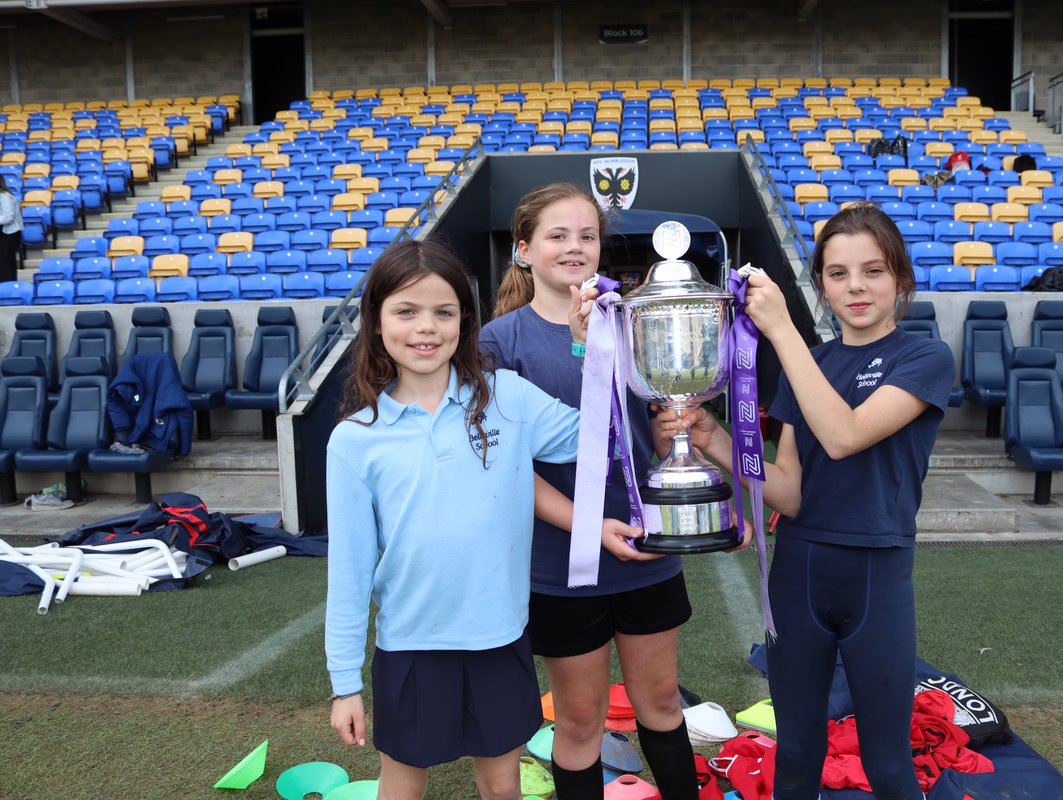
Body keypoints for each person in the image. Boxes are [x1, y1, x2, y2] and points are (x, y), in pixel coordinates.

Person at [660, 203, 955, 800]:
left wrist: (783, 330)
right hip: (799, 570)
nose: (857, 286)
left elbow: (845, 436)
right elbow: (790, 492)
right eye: (839, 273)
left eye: (873, 271)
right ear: (820, 282)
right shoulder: (810, 363)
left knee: (888, 762)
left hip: (877, 572)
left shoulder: (923, 357)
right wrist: (712, 436)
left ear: (900, 277)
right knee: (795, 752)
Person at [324, 239, 584, 800]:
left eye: (444, 312)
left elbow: (598, 435)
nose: (426, 328)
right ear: (375, 322)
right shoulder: (354, 440)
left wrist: (588, 351)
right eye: (406, 311)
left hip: (500, 636)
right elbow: (347, 571)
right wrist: (345, 684)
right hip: (411, 645)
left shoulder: (507, 397)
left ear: (464, 322)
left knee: (501, 785)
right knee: (403, 783)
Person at [481, 182, 712, 800]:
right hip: (563, 566)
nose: (575, 247)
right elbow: (502, 466)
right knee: (580, 721)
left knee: (662, 704)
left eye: (587, 235)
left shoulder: (636, 318)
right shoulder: (497, 343)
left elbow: (646, 443)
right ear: (524, 250)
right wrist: (588, 525)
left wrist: (671, 438)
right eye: (557, 235)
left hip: (645, 553)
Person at [0, 175, 22, 283]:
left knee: (6, 263)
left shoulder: (4, 196)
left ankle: (8, 286)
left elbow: (8, 216)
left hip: (7, 233)